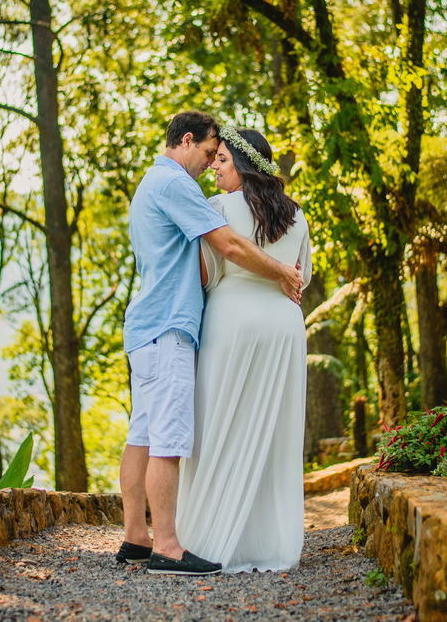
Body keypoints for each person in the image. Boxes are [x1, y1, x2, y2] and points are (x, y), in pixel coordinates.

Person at [118, 110, 303, 576]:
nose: (209, 165)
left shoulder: (150, 185)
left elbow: (213, 264)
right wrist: (282, 271)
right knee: (168, 439)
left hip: (148, 327)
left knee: (143, 434)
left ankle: (137, 540)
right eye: (206, 153)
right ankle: (168, 547)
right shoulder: (177, 185)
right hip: (170, 326)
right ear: (186, 142)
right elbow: (230, 247)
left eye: (219, 157)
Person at [176, 126, 311, 572]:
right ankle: (272, 543)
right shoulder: (297, 215)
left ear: (245, 166)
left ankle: (213, 541)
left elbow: (206, 274)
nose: (214, 166)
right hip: (284, 327)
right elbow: (300, 278)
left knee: (218, 424)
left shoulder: (217, 209)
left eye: (223, 161)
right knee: (274, 433)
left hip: (233, 323)